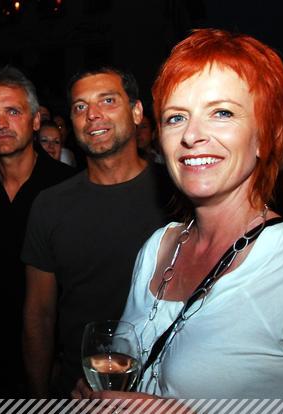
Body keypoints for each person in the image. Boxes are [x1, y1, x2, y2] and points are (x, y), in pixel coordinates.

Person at [73, 28, 283, 401]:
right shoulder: (157, 249)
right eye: (176, 118)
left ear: (266, 135)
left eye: (222, 112)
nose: (192, 135)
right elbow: (126, 362)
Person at [22, 65, 175, 398]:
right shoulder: (50, 205)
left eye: (107, 100)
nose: (92, 114)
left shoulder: (178, 195)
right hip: (79, 393)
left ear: (137, 112)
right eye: (80, 106)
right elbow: (39, 315)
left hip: (164, 393)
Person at [0, 66, 74, 396]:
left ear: (36, 120)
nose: (1, 124)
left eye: (12, 111)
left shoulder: (68, 188)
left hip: (54, 360)